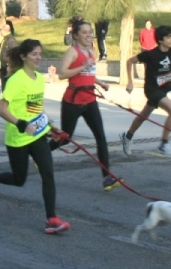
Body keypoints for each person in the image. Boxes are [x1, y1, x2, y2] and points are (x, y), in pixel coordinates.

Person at [0, 39, 70, 234]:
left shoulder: (39, 79)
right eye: (34, 54)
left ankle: (51, 219)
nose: (38, 57)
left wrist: (51, 127)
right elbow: (1, 109)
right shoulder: (16, 80)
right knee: (19, 179)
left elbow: (36, 109)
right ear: (23, 56)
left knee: (48, 173)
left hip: (37, 135)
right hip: (17, 137)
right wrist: (20, 123)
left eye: (40, 54)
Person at [51, 19, 120, 191]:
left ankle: (107, 178)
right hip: (72, 102)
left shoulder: (91, 51)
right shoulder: (73, 52)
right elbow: (62, 74)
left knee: (101, 138)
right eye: (84, 32)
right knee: (65, 138)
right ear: (75, 35)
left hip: (89, 100)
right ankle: (42, 152)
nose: (89, 35)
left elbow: (88, 73)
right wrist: (83, 65)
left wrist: (100, 82)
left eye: (90, 32)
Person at [119, 25, 171, 157]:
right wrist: (130, 82)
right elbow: (130, 61)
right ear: (160, 40)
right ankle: (164, 144)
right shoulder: (150, 54)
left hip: (164, 88)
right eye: (168, 37)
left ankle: (127, 136)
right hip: (152, 89)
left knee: (144, 115)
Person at [0, 24, 18, 91]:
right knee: (4, 86)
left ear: (4, 30)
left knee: (7, 86)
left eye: (0, 30)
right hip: (3, 67)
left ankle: (7, 101)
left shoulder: (11, 40)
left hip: (8, 67)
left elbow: (15, 54)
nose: (0, 32)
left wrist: (10, 65)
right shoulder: (5, 39)